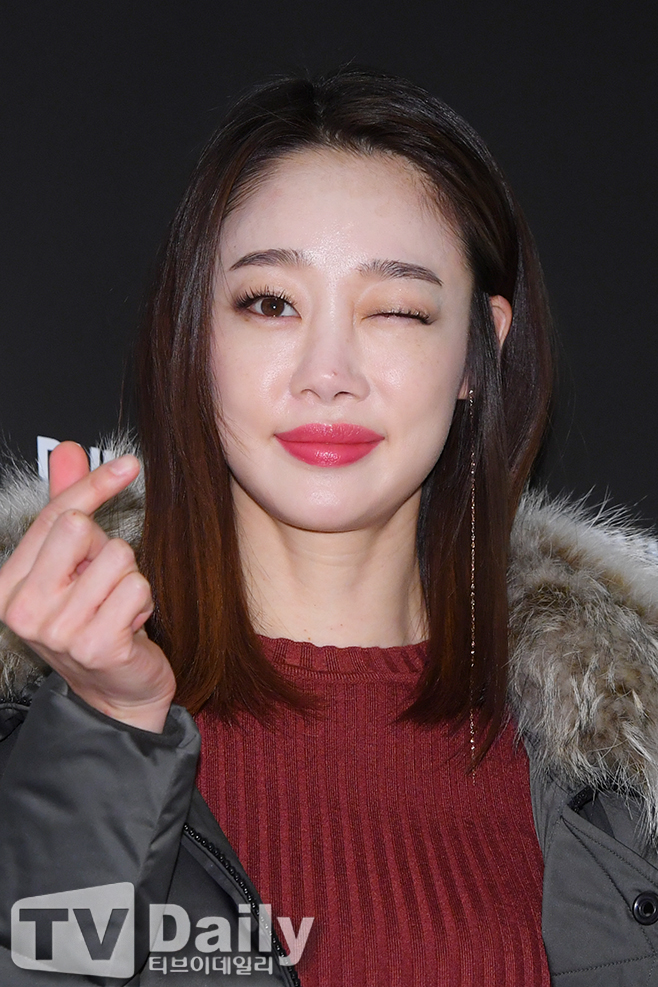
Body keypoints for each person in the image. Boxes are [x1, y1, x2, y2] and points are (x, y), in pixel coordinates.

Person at [1, 68, 658, 987]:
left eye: (397, 309)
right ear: (196, 337)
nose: (328, 372)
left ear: (481, 353)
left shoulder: (622, 769)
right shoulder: (51, 728)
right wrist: (107, 732)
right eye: (271, 303)